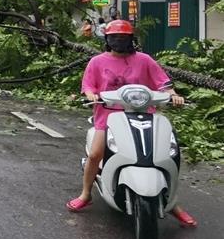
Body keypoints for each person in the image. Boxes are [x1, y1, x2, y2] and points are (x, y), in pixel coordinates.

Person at [66, 19, 197, 227]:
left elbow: (163, 82)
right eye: (115, 38)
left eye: (123, 38)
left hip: (144, 115)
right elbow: (88, 86)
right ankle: (85, 194)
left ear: (131, 39)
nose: (119, 41)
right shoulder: (97, 62)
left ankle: (173, 204)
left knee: (167, 156)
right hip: (108, 117)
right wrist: (91, 95)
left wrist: (173, 95)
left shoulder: (144, 60)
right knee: (95, 154)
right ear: (107, 40)